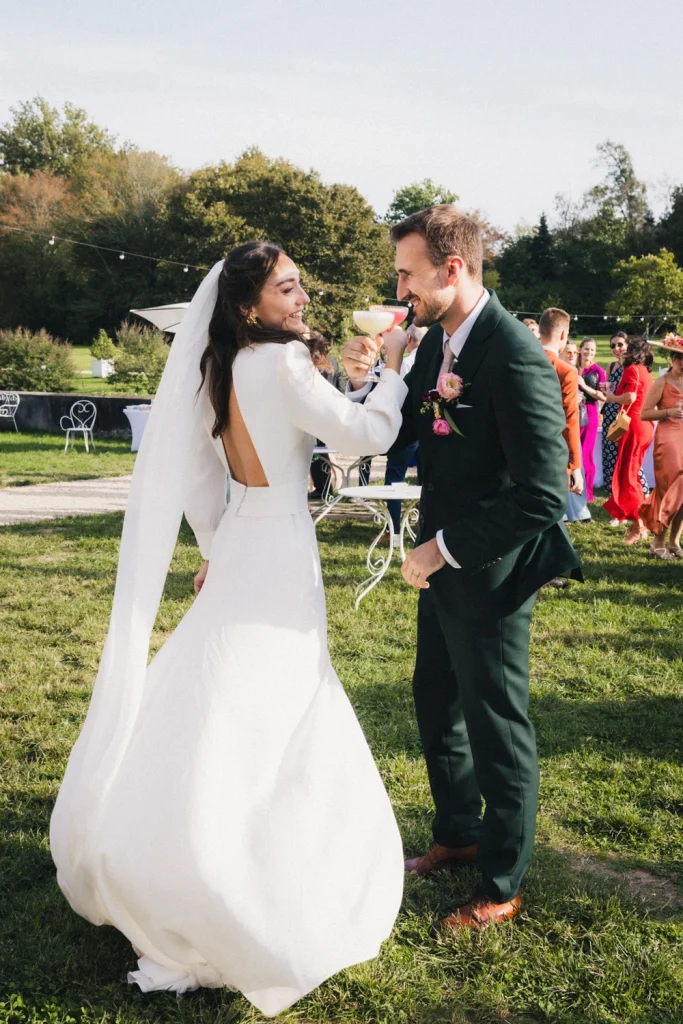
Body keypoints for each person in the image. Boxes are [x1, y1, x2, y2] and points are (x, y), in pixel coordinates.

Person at [50, 242, 409, 1018]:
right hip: (279, 545)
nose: (302, 297)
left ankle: (179, 843)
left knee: (218, 689)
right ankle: (244, 868)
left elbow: (202, 476)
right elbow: (366, 435)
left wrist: (214, 545)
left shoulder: (219, 366)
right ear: (249, 304)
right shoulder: (278, 365)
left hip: (243, 534)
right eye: (288, 288)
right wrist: (391, 373)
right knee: (276, 696)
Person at [343, 206, 582, 934]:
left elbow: (545, 493)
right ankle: (456, 832)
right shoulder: (432, 344)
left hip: (490, 566)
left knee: (494, 721)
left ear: (453, 269)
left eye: (408, 274)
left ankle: (502, 881)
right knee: (433, 697)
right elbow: (411, 427)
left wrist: (438, 550)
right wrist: (371, 380)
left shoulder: (512, 356)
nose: (400, 287)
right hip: (442, 560)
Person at [538, 308, 587, 527]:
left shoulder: (519, 360)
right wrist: (575, 466)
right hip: (552, 452)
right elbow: (570, 420)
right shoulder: (565, 371)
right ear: (562, 335)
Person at [603, 338, 655, 544]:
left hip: (633, 426)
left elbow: (629, 397)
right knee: (631, 474)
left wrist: (611, 398)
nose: (622, 352)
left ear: (633, 352)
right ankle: (640, 524)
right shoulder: (646, 372)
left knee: (629, 476)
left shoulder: (632, 370)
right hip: (645, 426)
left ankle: (638, 526)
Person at [639, 341, 683, 558]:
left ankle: (674, 541)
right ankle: (658, 543)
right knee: (670, 490)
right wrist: (669, 412)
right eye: (678, 358)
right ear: (671, 360)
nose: (682, 363)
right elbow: (644, 413)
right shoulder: (662, 382)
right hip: (668, 439)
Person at [384, 323, 428, 536]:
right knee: (424, 478)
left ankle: (392, 527)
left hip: (405, 426)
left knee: (395, 476)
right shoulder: (432, 358)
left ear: (408, 339)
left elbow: (394, 395)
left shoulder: (405, 363)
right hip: (427, 428)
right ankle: (421, 524)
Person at [309, 354, 344, 500]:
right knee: (324, 452)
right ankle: (326, 488)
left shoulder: (311, 362)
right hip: (331, 412)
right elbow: (340, 387)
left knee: (318, 453)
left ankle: (323, 488)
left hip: (315, 412)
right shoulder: (333, 361)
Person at [577, 337, 606, 503]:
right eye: (586, 349)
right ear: (580, 349)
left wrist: (585, 386)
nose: (589, 352)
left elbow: (602, 396)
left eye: (592, 350)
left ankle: (588, 493)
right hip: (572, 412)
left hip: (590, 411)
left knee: (586, 453)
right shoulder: (572, 366)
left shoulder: (598, 371)